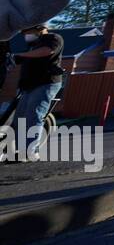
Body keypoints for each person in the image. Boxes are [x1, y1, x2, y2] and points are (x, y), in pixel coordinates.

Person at [5, 24, 64, 159]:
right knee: (19, 118)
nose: (25, 35)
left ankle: (31, 151)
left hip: (46, 82)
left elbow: (47, 51)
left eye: (27, 31)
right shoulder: (33, 45)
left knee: (34, 114)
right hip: (29, 85)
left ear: (39, 28)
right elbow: (20, 59)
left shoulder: (53, 38)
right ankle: (19, 151)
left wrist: (20, 55)